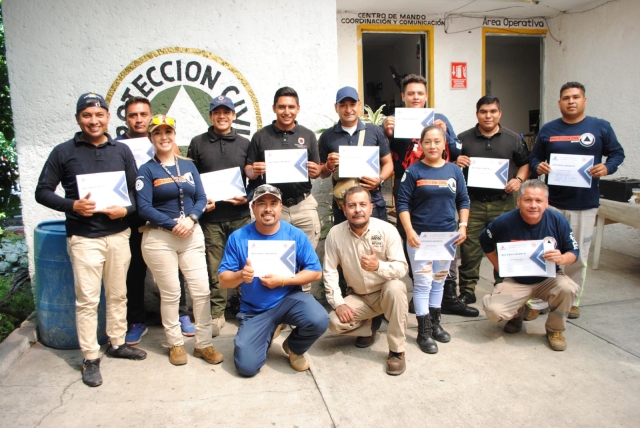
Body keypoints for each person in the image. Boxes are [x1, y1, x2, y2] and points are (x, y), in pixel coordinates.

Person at [35, 93, 147, 387]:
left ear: (108, 117)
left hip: (119, 235)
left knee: (118, 294)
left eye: (99, 115)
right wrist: (72, 205)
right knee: (87, 300)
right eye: (87, 115)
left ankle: (118, 342)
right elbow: (42, 191)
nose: (93, 121)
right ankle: (90, 357)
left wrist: (125, 209)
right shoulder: (63, 152)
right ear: (78, 119)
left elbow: (137, 194)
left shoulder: (121, 150)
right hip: (84, 238)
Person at [530, 82, 625, 319]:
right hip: (551, 204)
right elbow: (535, 157)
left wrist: (607, 167)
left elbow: (617, 153)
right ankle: (540, 300)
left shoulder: (600, 127)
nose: (571, 101)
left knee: (577, 254)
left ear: (584, 100)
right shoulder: (548, 129)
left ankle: (572, 299)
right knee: (545, 252)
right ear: (559, 102)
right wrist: (537, 166)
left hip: (584, 203)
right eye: (566, 98)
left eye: (575, 97)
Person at [136, 114, 223, 366]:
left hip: (191, 233)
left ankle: (203, 344)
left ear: (174, 135)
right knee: (171, 292)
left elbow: (201, 197)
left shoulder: (188, 165)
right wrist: (173, 224)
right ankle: (175, 343)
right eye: (158, 133)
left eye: (168, 132)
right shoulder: (147, 170)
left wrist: (192, 218)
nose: (164, 137)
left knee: (201, 291)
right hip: (160, 237)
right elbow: (144, 207)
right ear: (151, 137)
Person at [218, 184, 329, 377]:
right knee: (246, 367)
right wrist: (240, 275)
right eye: (261, 203)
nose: (268, 208)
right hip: (255, 309)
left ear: (280, 207)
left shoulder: (295, 235)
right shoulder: (238, 237)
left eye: (273, 203)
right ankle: (266, 332)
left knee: (319, 319)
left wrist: (284, 280)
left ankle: (294, 347)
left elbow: (315, 272)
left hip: (289, 300)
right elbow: (223, 280)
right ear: (253, 208)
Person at [382, 74, 468, 317]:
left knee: (443, 237)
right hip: (408, 186)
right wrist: (387, 132)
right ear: (403, 97)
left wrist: (446, 134)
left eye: (420, 93)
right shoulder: (394, 121)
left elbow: (457, 149)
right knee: (413, 238)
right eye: (411, 93)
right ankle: (422, 289)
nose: (416, 97)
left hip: (439, 189)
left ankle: (446, 294)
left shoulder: (440, 120)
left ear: (426, 95)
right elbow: (381, 152)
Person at [115, 96, 195, 345]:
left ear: (150, 117)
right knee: (135, 271)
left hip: (165, 219)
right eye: (132, 115)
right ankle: (137, 321)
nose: (138, 119)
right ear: (126, 119)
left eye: (143, 114)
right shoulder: (118, 147)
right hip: (132, 217)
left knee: (175, 270)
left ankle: (181, 314)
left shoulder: (164, 141)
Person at [480, 179, 580, 351]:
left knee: (567, 288)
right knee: (494, 312)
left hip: (549, 279)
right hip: (516, 281)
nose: (533, 205)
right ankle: (517, 314)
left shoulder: (557, 220)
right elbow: (485, 240)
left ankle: (555, 330)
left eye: (539, 201)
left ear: (546, 202)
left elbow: (574, 251)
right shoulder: (504, 221)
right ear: (519, 201)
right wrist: (499, 266)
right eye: (528, 200)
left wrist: (562, 258)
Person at [397, 125, 470, 354]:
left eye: (437, 141)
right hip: (420, 237)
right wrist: (409, 231)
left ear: (444, 144)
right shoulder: (413, 171)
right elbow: (402, 203)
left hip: (446, 237)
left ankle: (435, 324)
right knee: (423, 283)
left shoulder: (454, 171)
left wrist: (463, 226)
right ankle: (423, 331)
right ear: (422, 144)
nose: (432, 146)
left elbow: (464, 201)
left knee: (439, 280)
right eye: (428, 141)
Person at [454, 95, 530, 309]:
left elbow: (525, 164)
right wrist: (455, 160)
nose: (488, 115)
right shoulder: (463, 139)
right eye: (483, 111)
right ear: (477, 114)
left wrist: (519, 180)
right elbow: (447, 163)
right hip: (473, 203)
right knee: (469, 250)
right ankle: (467, 291)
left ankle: (503, 286)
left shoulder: (513, 139)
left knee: (504, 247)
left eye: (493, 111)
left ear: (500, 113)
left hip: (503, 203)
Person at [323, 186, 409, 375]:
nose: (357, 210)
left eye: (363, 204)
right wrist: (338, 303)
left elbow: (402, 268)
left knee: (396, 287)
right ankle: (370, 325)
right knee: (334, 322)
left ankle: (396, 351)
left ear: (371, 207)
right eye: (352, 205)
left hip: (385, 292)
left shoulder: (387, 230)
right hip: (360, 297)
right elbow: (329, 271)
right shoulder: (335, 234)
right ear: (344, 210)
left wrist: (378, 266)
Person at [188, 96, 251, 336]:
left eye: (227, 112)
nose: (222, 116)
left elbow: (254, 179)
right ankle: (217, 313)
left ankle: (247, 309)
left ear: (234, 115)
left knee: (246, 264)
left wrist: (248, 196)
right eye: (217, 112)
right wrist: (201, 203)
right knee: (215, 268)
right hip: (211, 219)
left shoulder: (245, 143)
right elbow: (192, 178)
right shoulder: (198, 143)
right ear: (210, 115)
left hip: (240, 216)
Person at [245, 87, 322, 257]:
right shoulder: (260, 136)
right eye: (281, 107)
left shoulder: (308, 135)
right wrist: (254, 170)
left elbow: (317, 170)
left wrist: (316, 170)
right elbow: (248, 170)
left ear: (298, 109)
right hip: (271, 206)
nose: (287, 112)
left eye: (291, 107)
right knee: (273, 257)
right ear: (274, 108)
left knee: (305, 258)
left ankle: (303, 286)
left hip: (303, 205)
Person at [319, 86, 393, 225]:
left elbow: (388, 163)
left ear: (359, 105)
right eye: (343, 105)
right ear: (336, 107)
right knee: (345, 245)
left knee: (376, 243)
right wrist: (328, 165)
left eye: (352, 104)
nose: (348, 110)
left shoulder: (375, 132)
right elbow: (322, 173)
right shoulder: (327, 136)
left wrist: (380, 180)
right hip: (344, 205)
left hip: (373, 201)